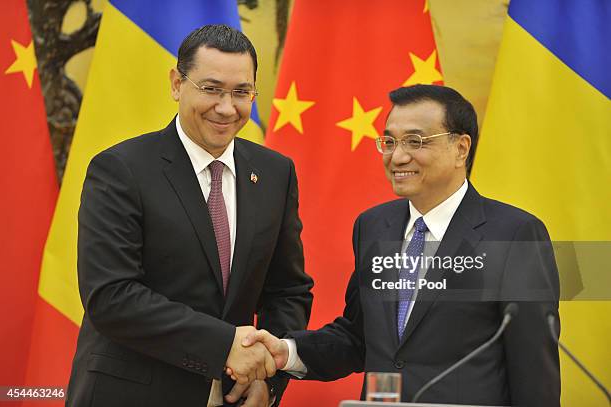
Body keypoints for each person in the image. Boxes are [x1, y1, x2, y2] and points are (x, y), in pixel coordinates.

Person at [242, 85, 560, 406]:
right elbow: (359, 337)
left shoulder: (513, 234)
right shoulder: (374, 227)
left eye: (415, 141)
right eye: (390, 142)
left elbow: (533, 369)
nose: (397, 156)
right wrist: (288, 351)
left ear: (461, 148)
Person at [66, 24, 313, 407]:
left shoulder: (275, 173)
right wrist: (224, 345)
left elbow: (287, 290)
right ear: (177, 84)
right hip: (132, 395)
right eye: (211, 89)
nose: (227, 107)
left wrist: (268, 375)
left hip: (234, 397)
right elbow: (110, 296)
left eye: (241, 92)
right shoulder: (121, 169)